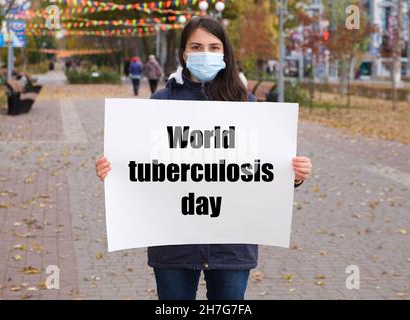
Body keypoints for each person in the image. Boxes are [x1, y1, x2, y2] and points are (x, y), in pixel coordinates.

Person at [95, 16, 313, 300]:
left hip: (232, 243)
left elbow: (262, 169)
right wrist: (112, 169)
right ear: (184, 54)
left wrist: (293, 176)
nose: (205, 53)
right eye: (196, 47)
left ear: (225, 53)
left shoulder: (246, 105)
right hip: (173, 243)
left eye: (213, 46)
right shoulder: (160, 105)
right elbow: (141, 167)